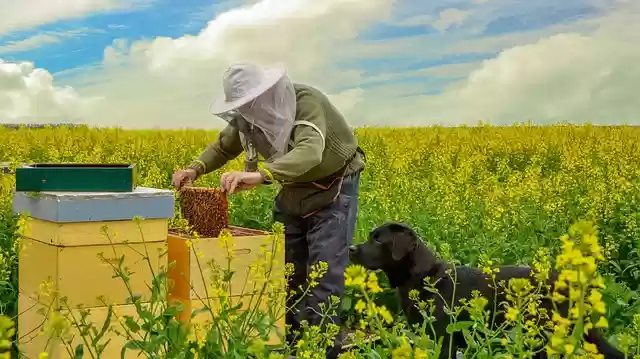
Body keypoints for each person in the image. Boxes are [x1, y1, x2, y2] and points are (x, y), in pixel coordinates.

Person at [172, 62, 365, 358]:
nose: (247, 109)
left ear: (267, 92)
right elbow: (224, 146)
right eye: (241, 104)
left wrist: (262, 174)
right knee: (286, 269)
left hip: (334, 184)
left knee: (324, 270)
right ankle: (288, 339)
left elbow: (310, 151)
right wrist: (195, 169)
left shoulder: (305, 102)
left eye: (250, 102)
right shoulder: (248, 117)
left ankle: (319, 348)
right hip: (292, 186)